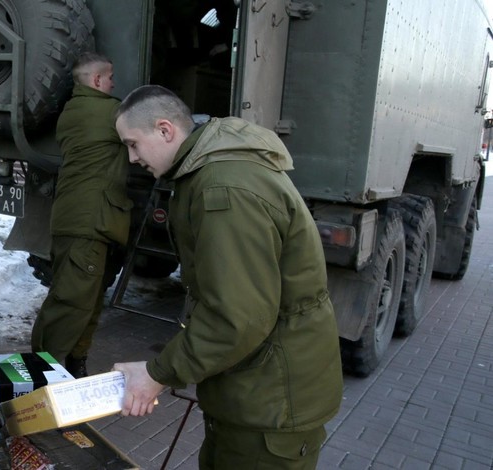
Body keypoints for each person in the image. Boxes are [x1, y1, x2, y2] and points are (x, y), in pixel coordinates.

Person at [112, 85, 343, 469]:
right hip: (253, 394)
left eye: (133, 144)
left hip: (270, 406)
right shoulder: (209, 170)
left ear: (165, 130)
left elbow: (239, 316)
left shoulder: (225, 188)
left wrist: (158, 373)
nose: (132, 158)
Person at [30, 52, 133, 377]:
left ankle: (75, 364)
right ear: (98, 81)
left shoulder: (73, 110)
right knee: (71, 302)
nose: (114, 83)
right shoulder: (107, 112)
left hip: (80, 219)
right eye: (111, 77)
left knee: (84, 298)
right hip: (89, 222)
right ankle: (41, 375)